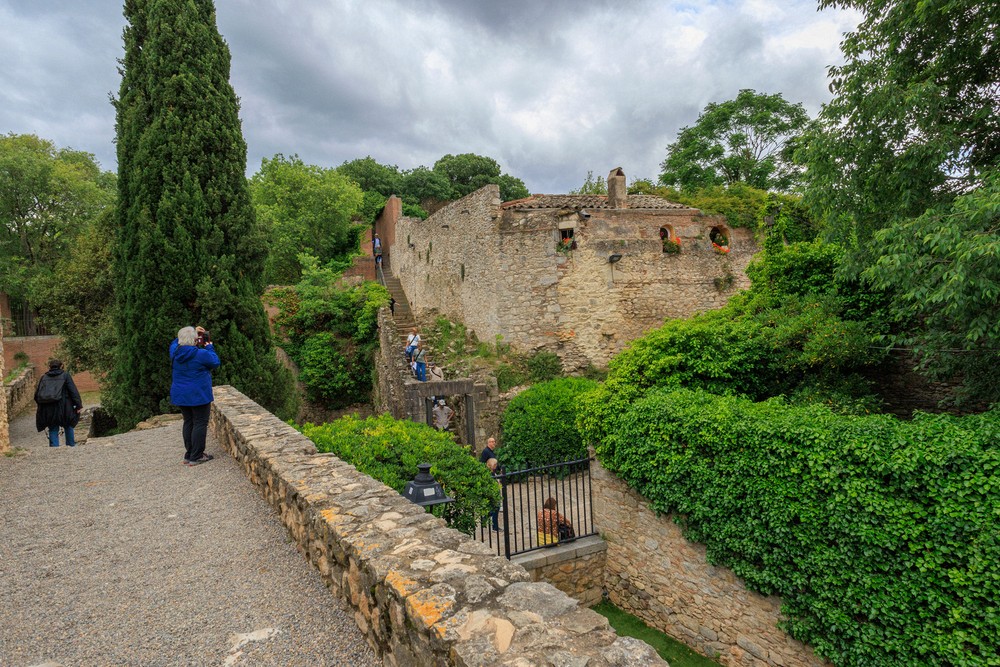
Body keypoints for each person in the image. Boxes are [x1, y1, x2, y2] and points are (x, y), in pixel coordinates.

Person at [170, 325, 220, 466]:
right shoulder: (201, 354)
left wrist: (190, 331)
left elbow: (174, 343)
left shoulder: (174, 352)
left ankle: (189, 453)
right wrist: (209, 346)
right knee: (200, 422)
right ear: (195, 339)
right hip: (198, 394)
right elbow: (215, 362)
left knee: (188, 421)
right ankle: (196, 456)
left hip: (180, 393)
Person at [34, 359, 83, 447]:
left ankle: (54, 449)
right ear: (61, 366)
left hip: (49, 408)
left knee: (52, 428)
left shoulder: (44, 377)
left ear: (49, 367)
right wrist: (78, 405)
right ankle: (71, 446)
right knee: (68, 425)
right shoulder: (65, 375)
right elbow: (73, 391)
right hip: (64, 407)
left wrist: (42, 407)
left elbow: (37, 395)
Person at [486, 457, 501, 532]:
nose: (496, 466)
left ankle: (485, 516)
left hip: (495, 493)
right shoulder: (490, 474)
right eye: (495, 464)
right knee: (495, 508)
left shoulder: (492, 473)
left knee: (494, 508)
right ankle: (495, 527)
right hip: (493, 494)